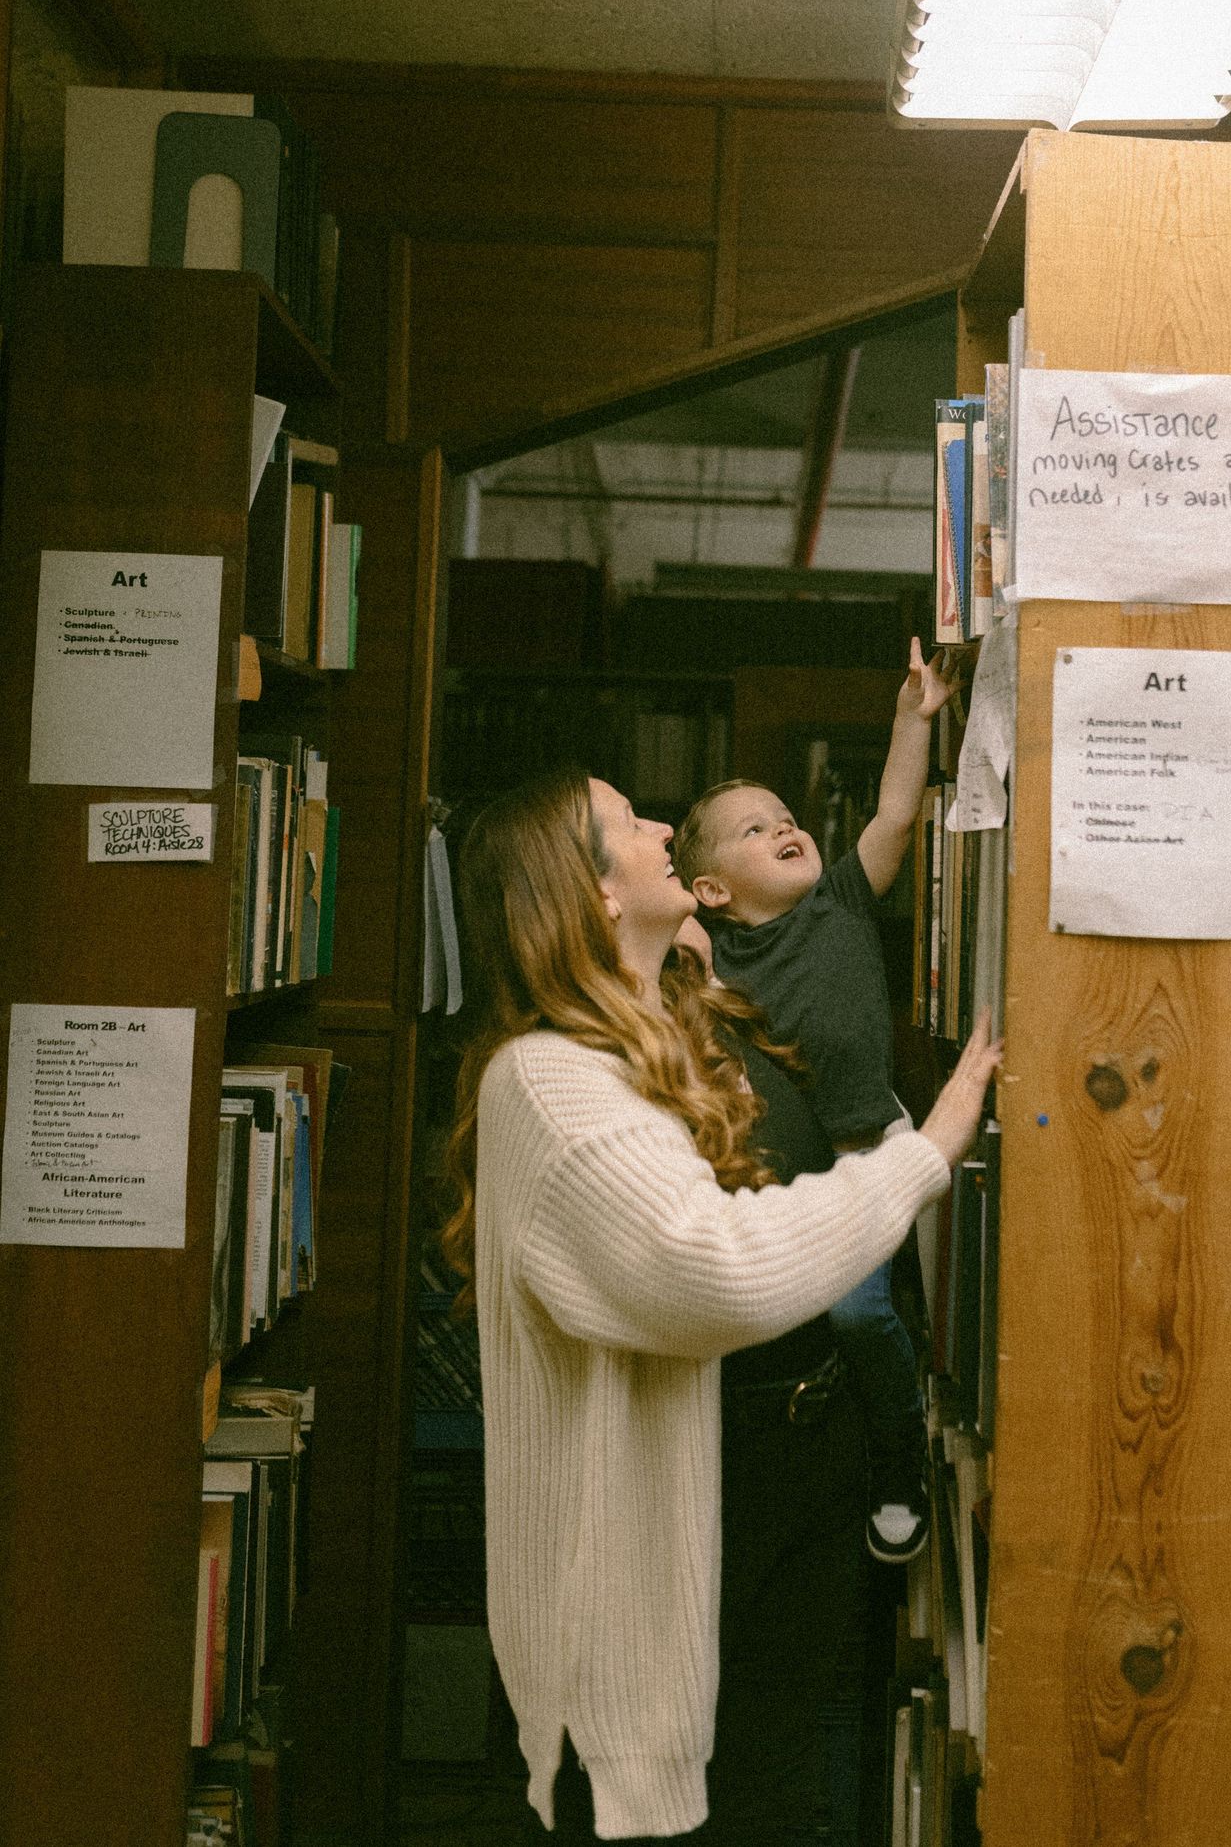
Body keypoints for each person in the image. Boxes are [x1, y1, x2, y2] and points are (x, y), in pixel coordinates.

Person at [441, 766, 999, 1843]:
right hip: (675, 1505)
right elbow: (717, 1266)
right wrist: (925, 1153)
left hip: (799, 1451)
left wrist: (674, 983)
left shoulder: (683, 1017)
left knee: (777, 1788)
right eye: (626, 822)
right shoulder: (546, 1081)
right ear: (589, 891)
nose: (656, 825)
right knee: (666, 1816)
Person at [670, 639, 952, 1567]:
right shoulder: (715, 955)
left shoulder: (839, 901)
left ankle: (901, 1464)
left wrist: (912, 719)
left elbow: (897, 817)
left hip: (874, 1144)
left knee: (866, 1319)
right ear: (711, 890)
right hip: (787, 1176)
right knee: (805, 1321)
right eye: (753, 831)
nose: (784, 827)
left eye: (785, 817)